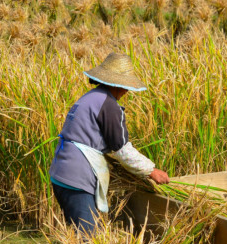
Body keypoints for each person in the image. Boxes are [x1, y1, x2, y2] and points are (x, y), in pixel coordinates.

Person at [49, 52, 169, 233]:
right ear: (118, 85)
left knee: (83, 234)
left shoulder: (91, 97)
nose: (127, 91)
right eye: (126, 86)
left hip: (62, 172)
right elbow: (121, 149)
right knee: (88, 239)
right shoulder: (108, 105)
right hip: (76, 178)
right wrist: (151, 171)